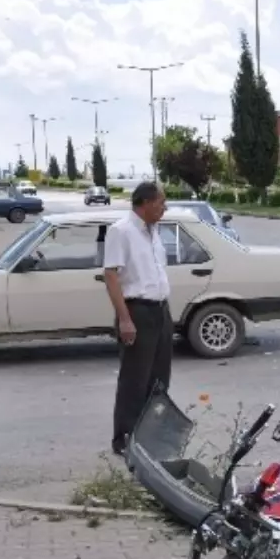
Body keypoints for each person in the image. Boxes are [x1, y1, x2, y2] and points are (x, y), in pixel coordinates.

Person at [103, 182, 172, 456]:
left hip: (160, 309)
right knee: (135, 378)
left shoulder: (154, 232)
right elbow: (111, 276)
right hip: (136, 311)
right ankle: (125, 436)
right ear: (144, 203)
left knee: (160, 379)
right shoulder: (121, 231)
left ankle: (152, 434)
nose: (164, 208)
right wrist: (124, 319)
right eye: (160, 203)